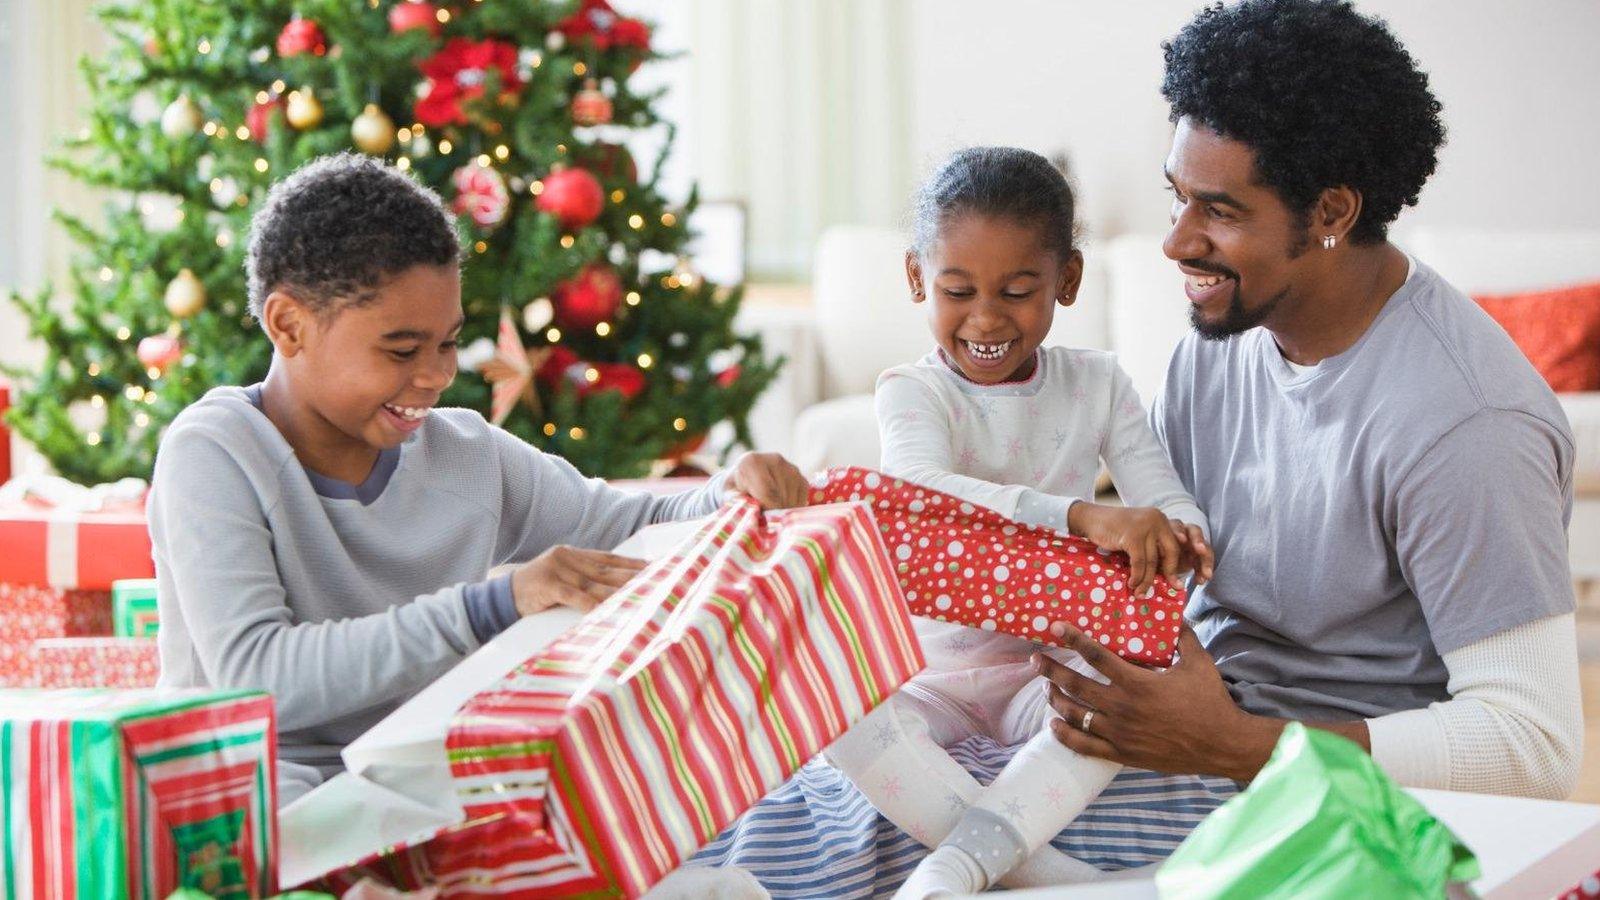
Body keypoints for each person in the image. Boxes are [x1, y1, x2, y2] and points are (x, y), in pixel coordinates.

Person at [1036, 0, 1582, 821]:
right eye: (1176, 197)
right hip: (1196, 734)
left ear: (1331, 213)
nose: (1177, 241)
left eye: (1218, 210)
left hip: (1332, 799)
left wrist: (1233, 744)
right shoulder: (1220, 344)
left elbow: (1534, 748)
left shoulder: (1467, 424)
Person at [148, 153, 810, 807]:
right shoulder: (215, 453)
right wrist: (493, 605)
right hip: (255, 797)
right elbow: (258, 676)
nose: (436, 375)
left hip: (417, 787)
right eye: (402, 350)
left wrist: (727, 493)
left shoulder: (464, 452)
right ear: (289, 325)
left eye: (448, 342)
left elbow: (624, 527)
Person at [824, 146, 1218, 899]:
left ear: (1066, 280)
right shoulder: (910, 391)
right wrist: (1082, 517)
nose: (985, 319)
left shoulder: (1098, 383)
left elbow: (1164, 496)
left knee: (1131, 696)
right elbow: (921, 489)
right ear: (917, 280)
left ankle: (956, 867)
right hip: (926, 672)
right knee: (828, 705)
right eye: (957, 290)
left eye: (1017, 290)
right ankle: (1039, 873)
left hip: (1046, 670)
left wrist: (1179, 532)